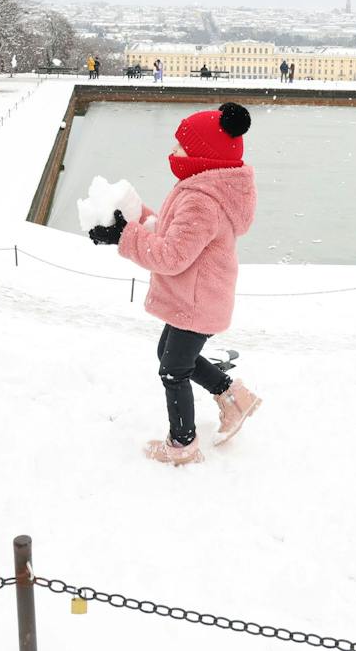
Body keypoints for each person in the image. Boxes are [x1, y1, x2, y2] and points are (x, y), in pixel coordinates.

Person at [87, 102, 261, 464]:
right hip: (196, 297)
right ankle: (233, 397)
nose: (173, 152)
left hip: (197, 302)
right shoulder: (203, 188)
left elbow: (171, 256)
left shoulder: (201, 199)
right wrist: (135, 219)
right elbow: (174, 232)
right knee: (173, 356)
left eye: (180, 147)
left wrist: (124, 236)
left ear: (203, 154)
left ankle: (182, 445)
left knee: (173, 369)